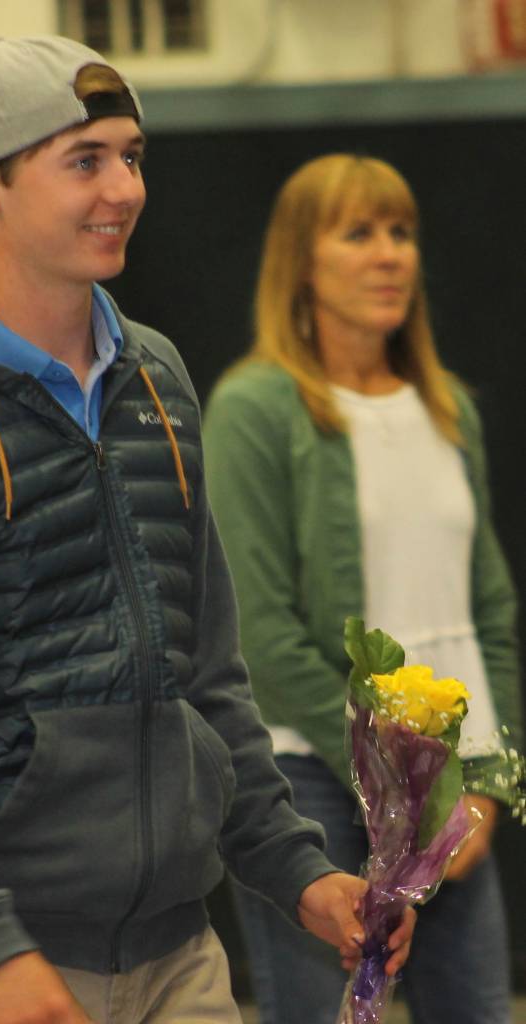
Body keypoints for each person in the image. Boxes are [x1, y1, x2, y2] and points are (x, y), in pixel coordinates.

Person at [0, 42, 414, 1024]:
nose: (124, 187)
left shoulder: (158, 377)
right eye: (83, 160)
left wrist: (297, 867)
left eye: (132, 155)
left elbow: (206, 673)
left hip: (177, 951)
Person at [202, 152, 522, 1024]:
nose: (389, 255)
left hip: (451, 799)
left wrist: (478, 786)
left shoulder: (448, 406)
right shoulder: (256, 408)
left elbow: (488, 617)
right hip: (312, 786)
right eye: (359, 233)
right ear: (301, 262)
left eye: (401, 233)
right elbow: (260, 638)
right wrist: (400, 785)